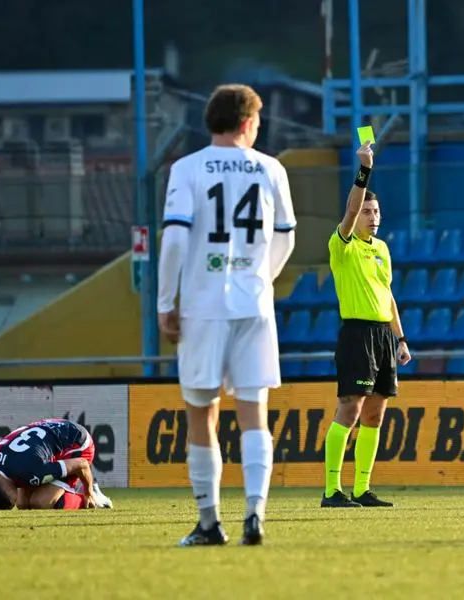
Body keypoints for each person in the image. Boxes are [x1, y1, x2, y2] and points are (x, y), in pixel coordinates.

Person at [156, 84, 297, 546]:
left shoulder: (186, 168)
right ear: (246, 123)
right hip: (253, 305)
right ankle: (255, 515)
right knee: (254, 413)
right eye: (257, 122)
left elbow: (174, 240)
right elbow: (286, 239)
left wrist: (166, 302)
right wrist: (261, 278)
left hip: (203, 306)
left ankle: (209, 522)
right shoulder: (271, 168)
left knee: (202, 413)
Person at [320, 141, 411, 509]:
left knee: (375, 413)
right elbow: (351, 204)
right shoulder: (342, 245)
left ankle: (361, 489)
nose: (372, 216)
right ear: (355, 216)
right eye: (367, 211)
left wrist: (401, 338)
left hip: (382, 336)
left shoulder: (382, 248)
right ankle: (331, 491)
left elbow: (387, 295)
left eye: (376, 212)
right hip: (356, 333)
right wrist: (364, 169)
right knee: (351, 408)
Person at [0, 418, 112, 511]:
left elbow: (82, 464)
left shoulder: (31, 472)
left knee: (42, 502)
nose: (13, 503)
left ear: (9, 495)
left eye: (10, 504)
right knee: (24, 504)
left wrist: (89, 492)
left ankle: (95, 497)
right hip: (49, 430)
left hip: (77, 443)